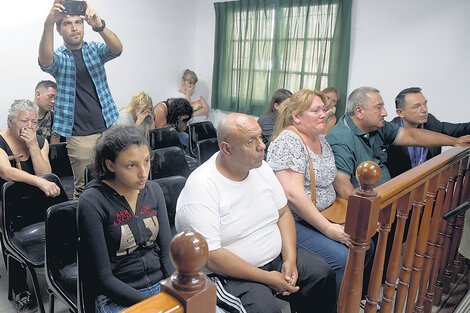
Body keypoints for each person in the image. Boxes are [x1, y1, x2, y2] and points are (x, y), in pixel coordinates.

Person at [176, 113, 337, 313]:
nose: (262, 145)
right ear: (227, 148)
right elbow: (212, 257)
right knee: (265, 309)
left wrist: (290, 260)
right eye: (251, 141)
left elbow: (284, 213)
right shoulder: (201, 187)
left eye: (260, 137)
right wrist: (267, 278)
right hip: (227, 274)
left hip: (273, 259)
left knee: (322, 274)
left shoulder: (261, 168)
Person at [267, 89, 373, 295]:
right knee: (344, 255)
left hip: (326, 213)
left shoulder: (320, 139)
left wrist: (358, 213)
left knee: (367, 243)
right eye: (316, 110)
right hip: (295, 221)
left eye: (323, 109)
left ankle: (350, 299)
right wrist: (328, 229)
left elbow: (333, 179)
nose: (323, 114)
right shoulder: (288, 142)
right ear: (296, 117)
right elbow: (293, 195)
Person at [77, 126, 173, 313]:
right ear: (110, 165)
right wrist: (152, 305)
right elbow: (104, 278)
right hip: (117, 297)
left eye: (146, 161)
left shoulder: (154, 191)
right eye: (131, 165)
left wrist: (175, 289)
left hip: (161, 286)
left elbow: (166, 255)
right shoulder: (92, 202)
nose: (143, 172)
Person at [38, 0, 123, 199]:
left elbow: (117, 49)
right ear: (60, 30)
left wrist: (99, 25)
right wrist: (48, 23)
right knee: (85, 188)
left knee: (115, 180)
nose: (74, 27)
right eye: (67, 23)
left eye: (78, 22)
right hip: (79, 135)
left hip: (108, 127)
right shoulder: (59, 57)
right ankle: (83, 229)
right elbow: (45, 61)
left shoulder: (94, 49)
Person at [326, 86, 470, 199]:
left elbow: (412, 136)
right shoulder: (341, 137)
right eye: (378, 107)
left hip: (390, 197)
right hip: (370, 207)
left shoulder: (379, 126)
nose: (385, 113)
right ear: (359, 112)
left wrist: (454, 142)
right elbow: (343, 187)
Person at [0, 100, 60, 312]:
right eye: (24, 121)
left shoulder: (40, 141)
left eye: (34, 122)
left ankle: (60, 276)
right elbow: (6, 172)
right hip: (8, 207)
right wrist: (40, 182)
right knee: (16, 230)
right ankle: (20, 290)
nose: (29, 126)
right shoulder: (0, 139)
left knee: (60, 221)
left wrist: (33, 146)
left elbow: (46, 173)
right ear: (10, 121)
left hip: (35, 203)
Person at [387, 87, 470, 177]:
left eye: (425, 104)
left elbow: (460, 129)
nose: (424, 110)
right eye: (416, 106)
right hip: (400, 187)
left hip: (429, 184)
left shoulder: (430, 122)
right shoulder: (389, 133)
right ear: (400, 113)